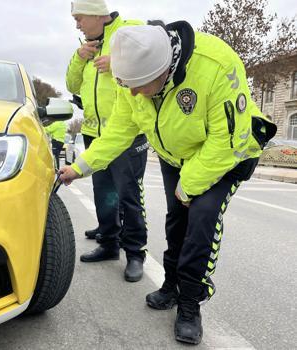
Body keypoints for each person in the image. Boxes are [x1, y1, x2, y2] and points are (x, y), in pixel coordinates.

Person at [59, 22, 276, 344]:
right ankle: (171, 285)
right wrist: (79, 167)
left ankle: (190, 303)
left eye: (138, 85)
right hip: (178, 155)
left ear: (165, 71)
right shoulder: (131, 75)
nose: (131, 93)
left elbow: (224, 142)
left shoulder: (216, 66)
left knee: (201, 220)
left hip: (228, 152)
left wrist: (187, 187)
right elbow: (119, 131)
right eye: (125, 84)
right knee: (176, 221)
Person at [66, 0, 149, 282]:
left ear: (97, 15)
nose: (76, 24)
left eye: (80, 18)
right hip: (95, 134)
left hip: (127, 133)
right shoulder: (86, 46)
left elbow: (152, 57)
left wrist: (119, 63)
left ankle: (136, 253)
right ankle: (109, 244)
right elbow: (71, 86)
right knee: (104, 192)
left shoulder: (129, 31)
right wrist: (79, 57)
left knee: (129, 195)